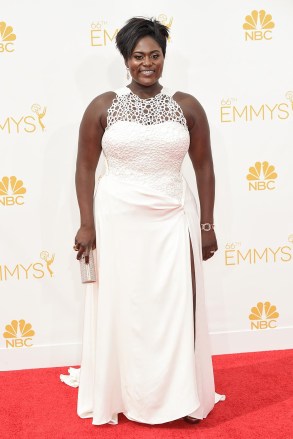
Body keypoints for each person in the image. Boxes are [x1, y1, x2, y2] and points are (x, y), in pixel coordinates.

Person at [73, 17, 225, 426]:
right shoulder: (103, 105)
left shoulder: (187, 105)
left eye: (154, 55)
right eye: (138, 56)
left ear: (163, 57)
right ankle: (125, 391)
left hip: (173, 215)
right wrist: (86, 224)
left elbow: (204, 166)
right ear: (125, 59)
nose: (147, 63)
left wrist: (207, 225)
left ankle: (183, 393)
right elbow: (86, 167)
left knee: (176, 306)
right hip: (116, 218)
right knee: (126, 307)